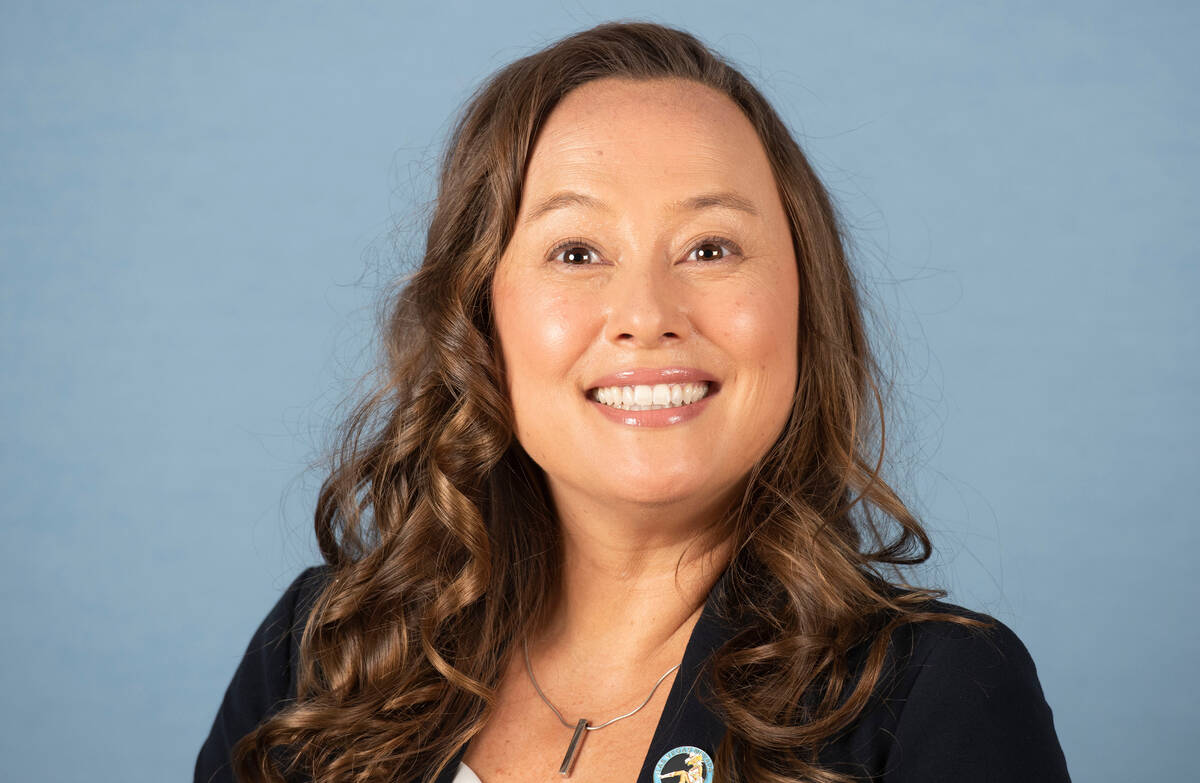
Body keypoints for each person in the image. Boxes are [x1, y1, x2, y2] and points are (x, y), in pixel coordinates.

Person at [195, 21, 1071, 783]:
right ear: (480, 318)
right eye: (576, 252)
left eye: (711, 247)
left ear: (806, 303)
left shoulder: (938, 694)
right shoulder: (321, 658)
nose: (647, 316)